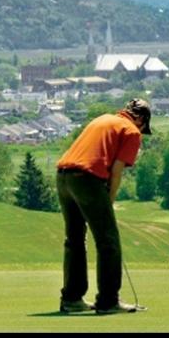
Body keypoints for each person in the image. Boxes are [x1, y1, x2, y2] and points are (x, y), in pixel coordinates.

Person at [55, 98, 152, 314]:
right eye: (144, 126)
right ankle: (108, 301)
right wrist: (109, 200)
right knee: (108, 240)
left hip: (63, 178)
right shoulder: (131, 131)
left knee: (75, 240)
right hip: (87, 180)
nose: (142, 131)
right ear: (140, 118)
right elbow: (117, 171)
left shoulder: (103, 119)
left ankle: (72, 299)